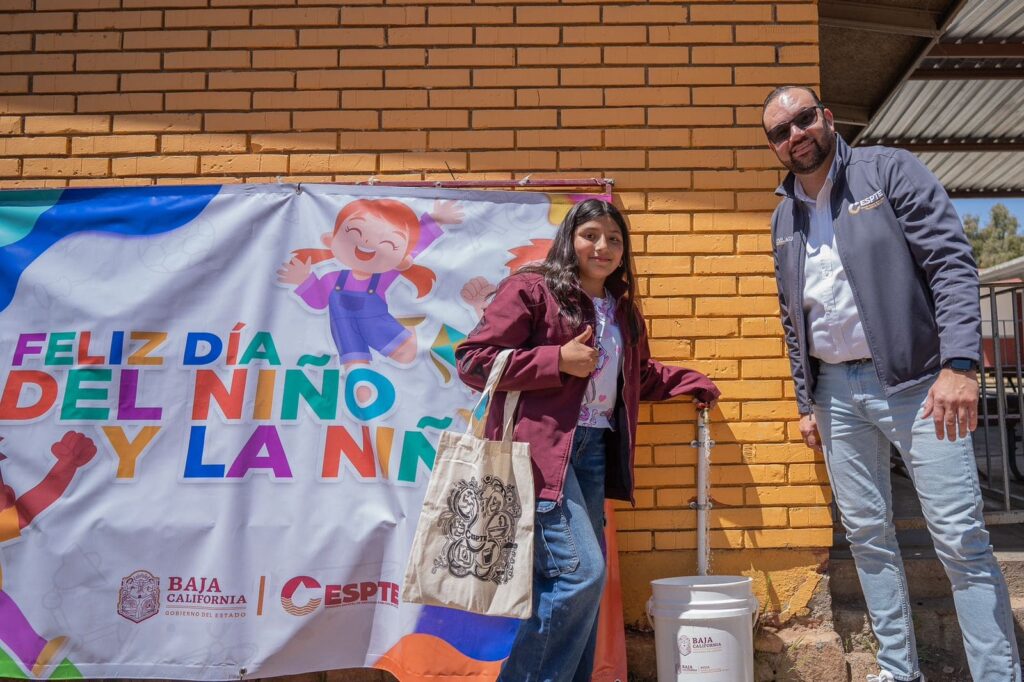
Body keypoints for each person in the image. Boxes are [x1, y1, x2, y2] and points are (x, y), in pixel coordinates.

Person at [764, 85, 1022, 682]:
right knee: (868, 537)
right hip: (834, 392)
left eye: (803, 119)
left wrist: (960, 364)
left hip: (917, 384)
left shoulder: (888, 171)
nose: (795, 134)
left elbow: (952, 262)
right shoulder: (784, 215)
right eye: (780, 131)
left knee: (959, 537)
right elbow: (791, 313)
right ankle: (899, 671)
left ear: (827, 117)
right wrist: (807, 402)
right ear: (775, 148)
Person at [455, 198, 720, 682]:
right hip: (540, 454)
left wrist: (690, 382)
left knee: (575, 585)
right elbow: (473, 361)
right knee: (579, 575)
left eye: (614, 239)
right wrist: (555, 360)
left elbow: (635, 377)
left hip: (594, 450)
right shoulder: (533, 291)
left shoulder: (621, 310)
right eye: (591, 235)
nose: (603, 246)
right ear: (570, 240)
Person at [277, 198, 463, 367]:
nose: (366, 241)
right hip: (346, 334)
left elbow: (414, 246)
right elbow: (318, 302)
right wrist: (304, 281)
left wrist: (434, 221)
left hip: (379, 327)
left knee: (406, 354)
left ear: (401, 261)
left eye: (390, 244)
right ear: (330, 240)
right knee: (355, 368)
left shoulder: (382, 276)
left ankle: (423, 333)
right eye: (355, 231)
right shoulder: (332, 279)